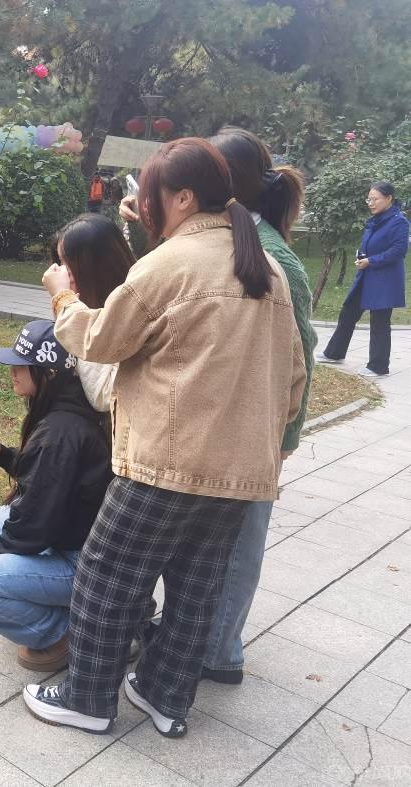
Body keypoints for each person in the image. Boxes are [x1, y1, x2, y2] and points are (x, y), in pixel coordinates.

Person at [26, 138, 305, 738]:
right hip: (240, 472)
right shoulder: (269, 268)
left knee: (106, 574)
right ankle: (165, 696)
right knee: (196, 587)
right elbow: (294, 376)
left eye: (150, 193)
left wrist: (62, 296)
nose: (144, 205)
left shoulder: (171, 262)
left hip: (167, 462)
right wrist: (269, 446)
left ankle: (86, 698)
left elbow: (100, 340)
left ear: (183, 198)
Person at [189, 127, 316, 685]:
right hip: (219, 417)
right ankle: (200, 633)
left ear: (225, 182)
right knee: (209, 540)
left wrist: (283, 442)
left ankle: (220, 652)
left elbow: (301, 358)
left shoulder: (275, 257)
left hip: (254, 430)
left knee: (240, 543)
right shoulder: (225, 235)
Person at [0, 320, 113, 671]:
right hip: (81, 545)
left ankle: (62, 631)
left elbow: (35, 522)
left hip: (84, 568)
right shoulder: (70, 413)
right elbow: (48, 478)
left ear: (49, 373)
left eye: (22, 365)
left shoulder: (59, 433)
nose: (12, 371)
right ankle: (58, 606)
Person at [317, 181, 408, 377]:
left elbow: (399, 250)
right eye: (369, 199)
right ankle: (334, 353)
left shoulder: (399, 222)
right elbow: (371, 243)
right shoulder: (376, 219)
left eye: (375, 199)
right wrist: (362, 256)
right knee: (348, 312)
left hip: (384, 280)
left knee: (379, 322)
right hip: (366, 276)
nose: (371, 203)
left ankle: (378, 366)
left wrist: (371, 261)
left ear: (389, 199)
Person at [48, 214, 136, 412]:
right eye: (60, 262)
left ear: (96, 268)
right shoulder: (87, 303)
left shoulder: (128, 309)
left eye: (67, 263)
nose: (62, 273)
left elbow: (103, 394)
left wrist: (64, 300)